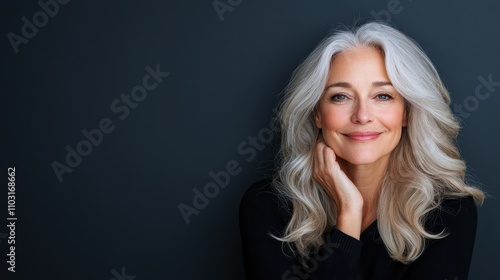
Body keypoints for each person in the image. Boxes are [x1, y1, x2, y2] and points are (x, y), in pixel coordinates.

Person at [239, 22, 484, 280]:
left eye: (383, 96)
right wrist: (349, 214)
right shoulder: (267, 206)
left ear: (407, 113)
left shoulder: (448, 212)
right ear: (317, 115)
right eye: (341, 96)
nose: (362, 116)